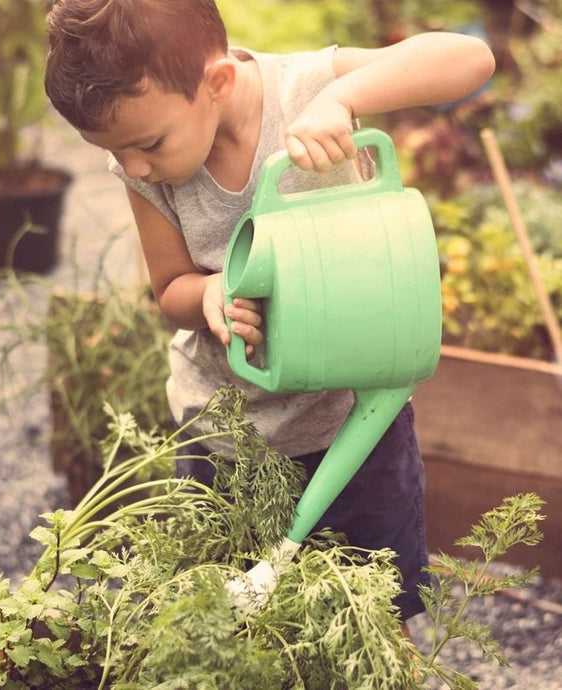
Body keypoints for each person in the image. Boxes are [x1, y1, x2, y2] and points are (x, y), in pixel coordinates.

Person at [44, 0, 496, 625]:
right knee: (242, 625)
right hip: (229, 444)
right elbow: (170, 284)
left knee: (370, 623)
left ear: (218, 83)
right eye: (120, 152)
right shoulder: (145, 167)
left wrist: (343, 98)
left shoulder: (308, 89)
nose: (135, 166)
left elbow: (471, 58)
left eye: (148, 144)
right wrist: (205, 297)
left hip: (355, 425)